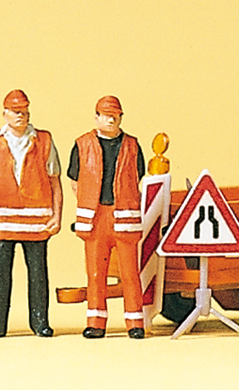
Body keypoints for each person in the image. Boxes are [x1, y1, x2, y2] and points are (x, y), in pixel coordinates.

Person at [0, 89, 62, 338]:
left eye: (24, 111)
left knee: (38, 274)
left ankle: (40, 322)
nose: (21, 115)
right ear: (5, 114)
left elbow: (54, 180)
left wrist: (57, 216)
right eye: (15, 111)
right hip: (1, 219)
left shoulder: (44, 140)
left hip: (37, 219)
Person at [67, 95, 146, 339]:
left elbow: (138, 176)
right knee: (95, 274)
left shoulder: (133, 145)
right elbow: (75, 181)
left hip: (124, 217)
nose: (111, 120)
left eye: (115, 116)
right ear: (96, 117)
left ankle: (135, 323)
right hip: (95, 219)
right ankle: (96, 323)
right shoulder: (82, 145)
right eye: (106, 115)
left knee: (130, 273)